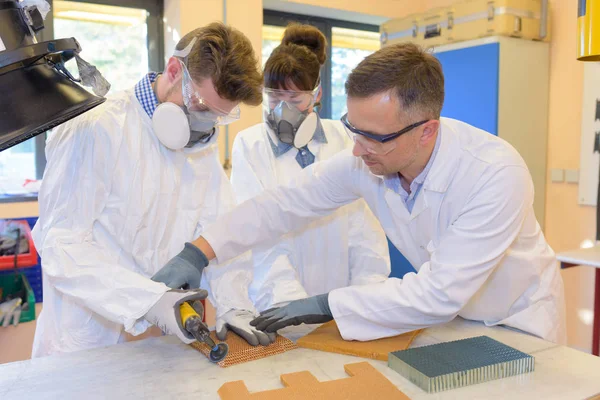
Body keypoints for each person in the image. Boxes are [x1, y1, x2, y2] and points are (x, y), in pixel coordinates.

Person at [154, 42, 567, 344]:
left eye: (372, 136)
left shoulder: (495, 175)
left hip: (519, 323)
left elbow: (437, 293)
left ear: (427, 130)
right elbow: (283, 204)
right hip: (455, 321)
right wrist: (200, 251)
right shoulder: (369, 161)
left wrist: (328, 304)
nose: (355, 148)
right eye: (352, 128)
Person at [31, 22, 263, 357]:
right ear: (173, 70)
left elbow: (220, 235)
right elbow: (61, 243)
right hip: (85, 342)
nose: (204, 125)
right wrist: (148, 300)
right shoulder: (96, 126)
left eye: (217, 117)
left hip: (158, 348)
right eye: (200, 106)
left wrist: (234, 304)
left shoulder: (199, 149)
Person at [213, 24, 390, 346]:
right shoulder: (250, 145)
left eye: (294, 97)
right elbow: (258, 233)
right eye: (274, 96)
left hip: (341, 301)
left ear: (316, 94)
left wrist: (366, 295)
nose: (283, 108)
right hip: (275, 302)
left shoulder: (345, 138)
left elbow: (365, 228)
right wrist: (290, 303)